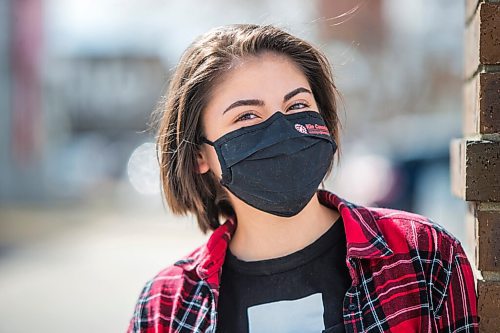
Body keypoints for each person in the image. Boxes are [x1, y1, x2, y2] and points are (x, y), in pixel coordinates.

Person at [126, 24, 479, 333]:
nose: (281, 129)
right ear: (199, 155)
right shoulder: (165, 308)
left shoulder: (423, 256)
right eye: (247, 115)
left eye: (296, 106)